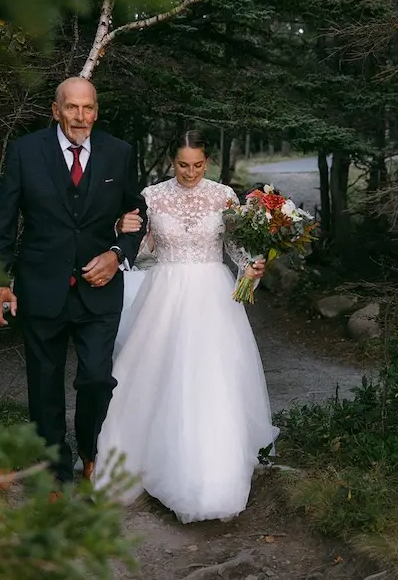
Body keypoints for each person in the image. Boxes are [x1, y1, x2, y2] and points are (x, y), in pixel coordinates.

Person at [95, 131, 279, 523]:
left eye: (197, 165)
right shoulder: (151, 196)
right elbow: (141, 250)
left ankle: (211, 475)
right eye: (183, 165)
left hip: (212, 295)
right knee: (152, 376)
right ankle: (140, 464)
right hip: (164, 292)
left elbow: (234, 246)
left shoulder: (225, 196)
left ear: (207, 161)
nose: (190, 172)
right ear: (172, 162)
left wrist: (252, 265)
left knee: (211, 380)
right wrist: (121, 229)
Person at [0, 76, 147, 485]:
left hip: (100, 289)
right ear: (55, 110)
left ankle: (92, 451)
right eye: (71, 107)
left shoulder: (119, 153)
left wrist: (118, 253)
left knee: (96, 377)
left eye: (88, 107)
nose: (80, 116)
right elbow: (4, 221)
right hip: (41, 286)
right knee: (44, 384)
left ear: (96, 110)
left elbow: (136, 214)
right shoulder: (25, 152)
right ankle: (55, 470)